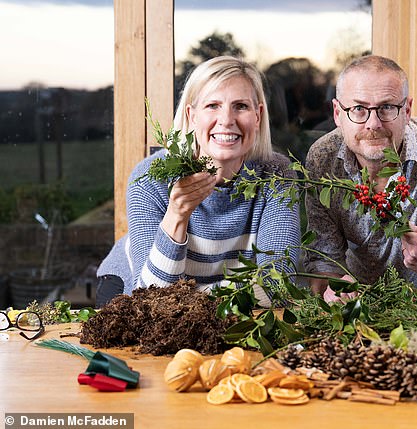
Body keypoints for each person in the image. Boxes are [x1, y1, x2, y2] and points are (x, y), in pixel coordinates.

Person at [96, 56, 301, 308]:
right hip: (130, 292)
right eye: (213, 105)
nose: (227, 120)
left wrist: (186, 301)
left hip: (205, 307)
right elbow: (149, 299)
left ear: (258, 116)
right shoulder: (149, 178)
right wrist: (177, 215)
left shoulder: (277, 175)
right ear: (192, 116)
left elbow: (278, 284)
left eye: (240, 106)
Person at [303, 55, 417, 302]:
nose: (373, 124)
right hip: (358, 309)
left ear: (407, 110)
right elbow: (323, 260)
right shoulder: (323, 157)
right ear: (337, 113)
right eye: (358, 109)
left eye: (387, 107)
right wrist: (333, 286)